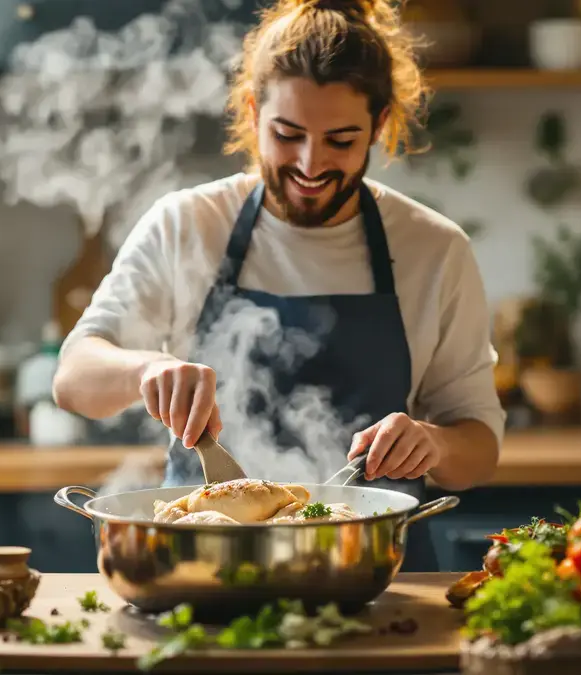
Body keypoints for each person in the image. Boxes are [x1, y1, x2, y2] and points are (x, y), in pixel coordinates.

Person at [52, 0, 504, 572]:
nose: (311, 165)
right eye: (288, 135)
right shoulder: (188, 224)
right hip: (196, 572)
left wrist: (435, 445)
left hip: (373, 572)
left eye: (341, 141)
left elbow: (480, 450)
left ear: (380, 125)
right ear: (251, 111)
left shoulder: (433, 248)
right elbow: (72, 379)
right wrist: (145, 370)